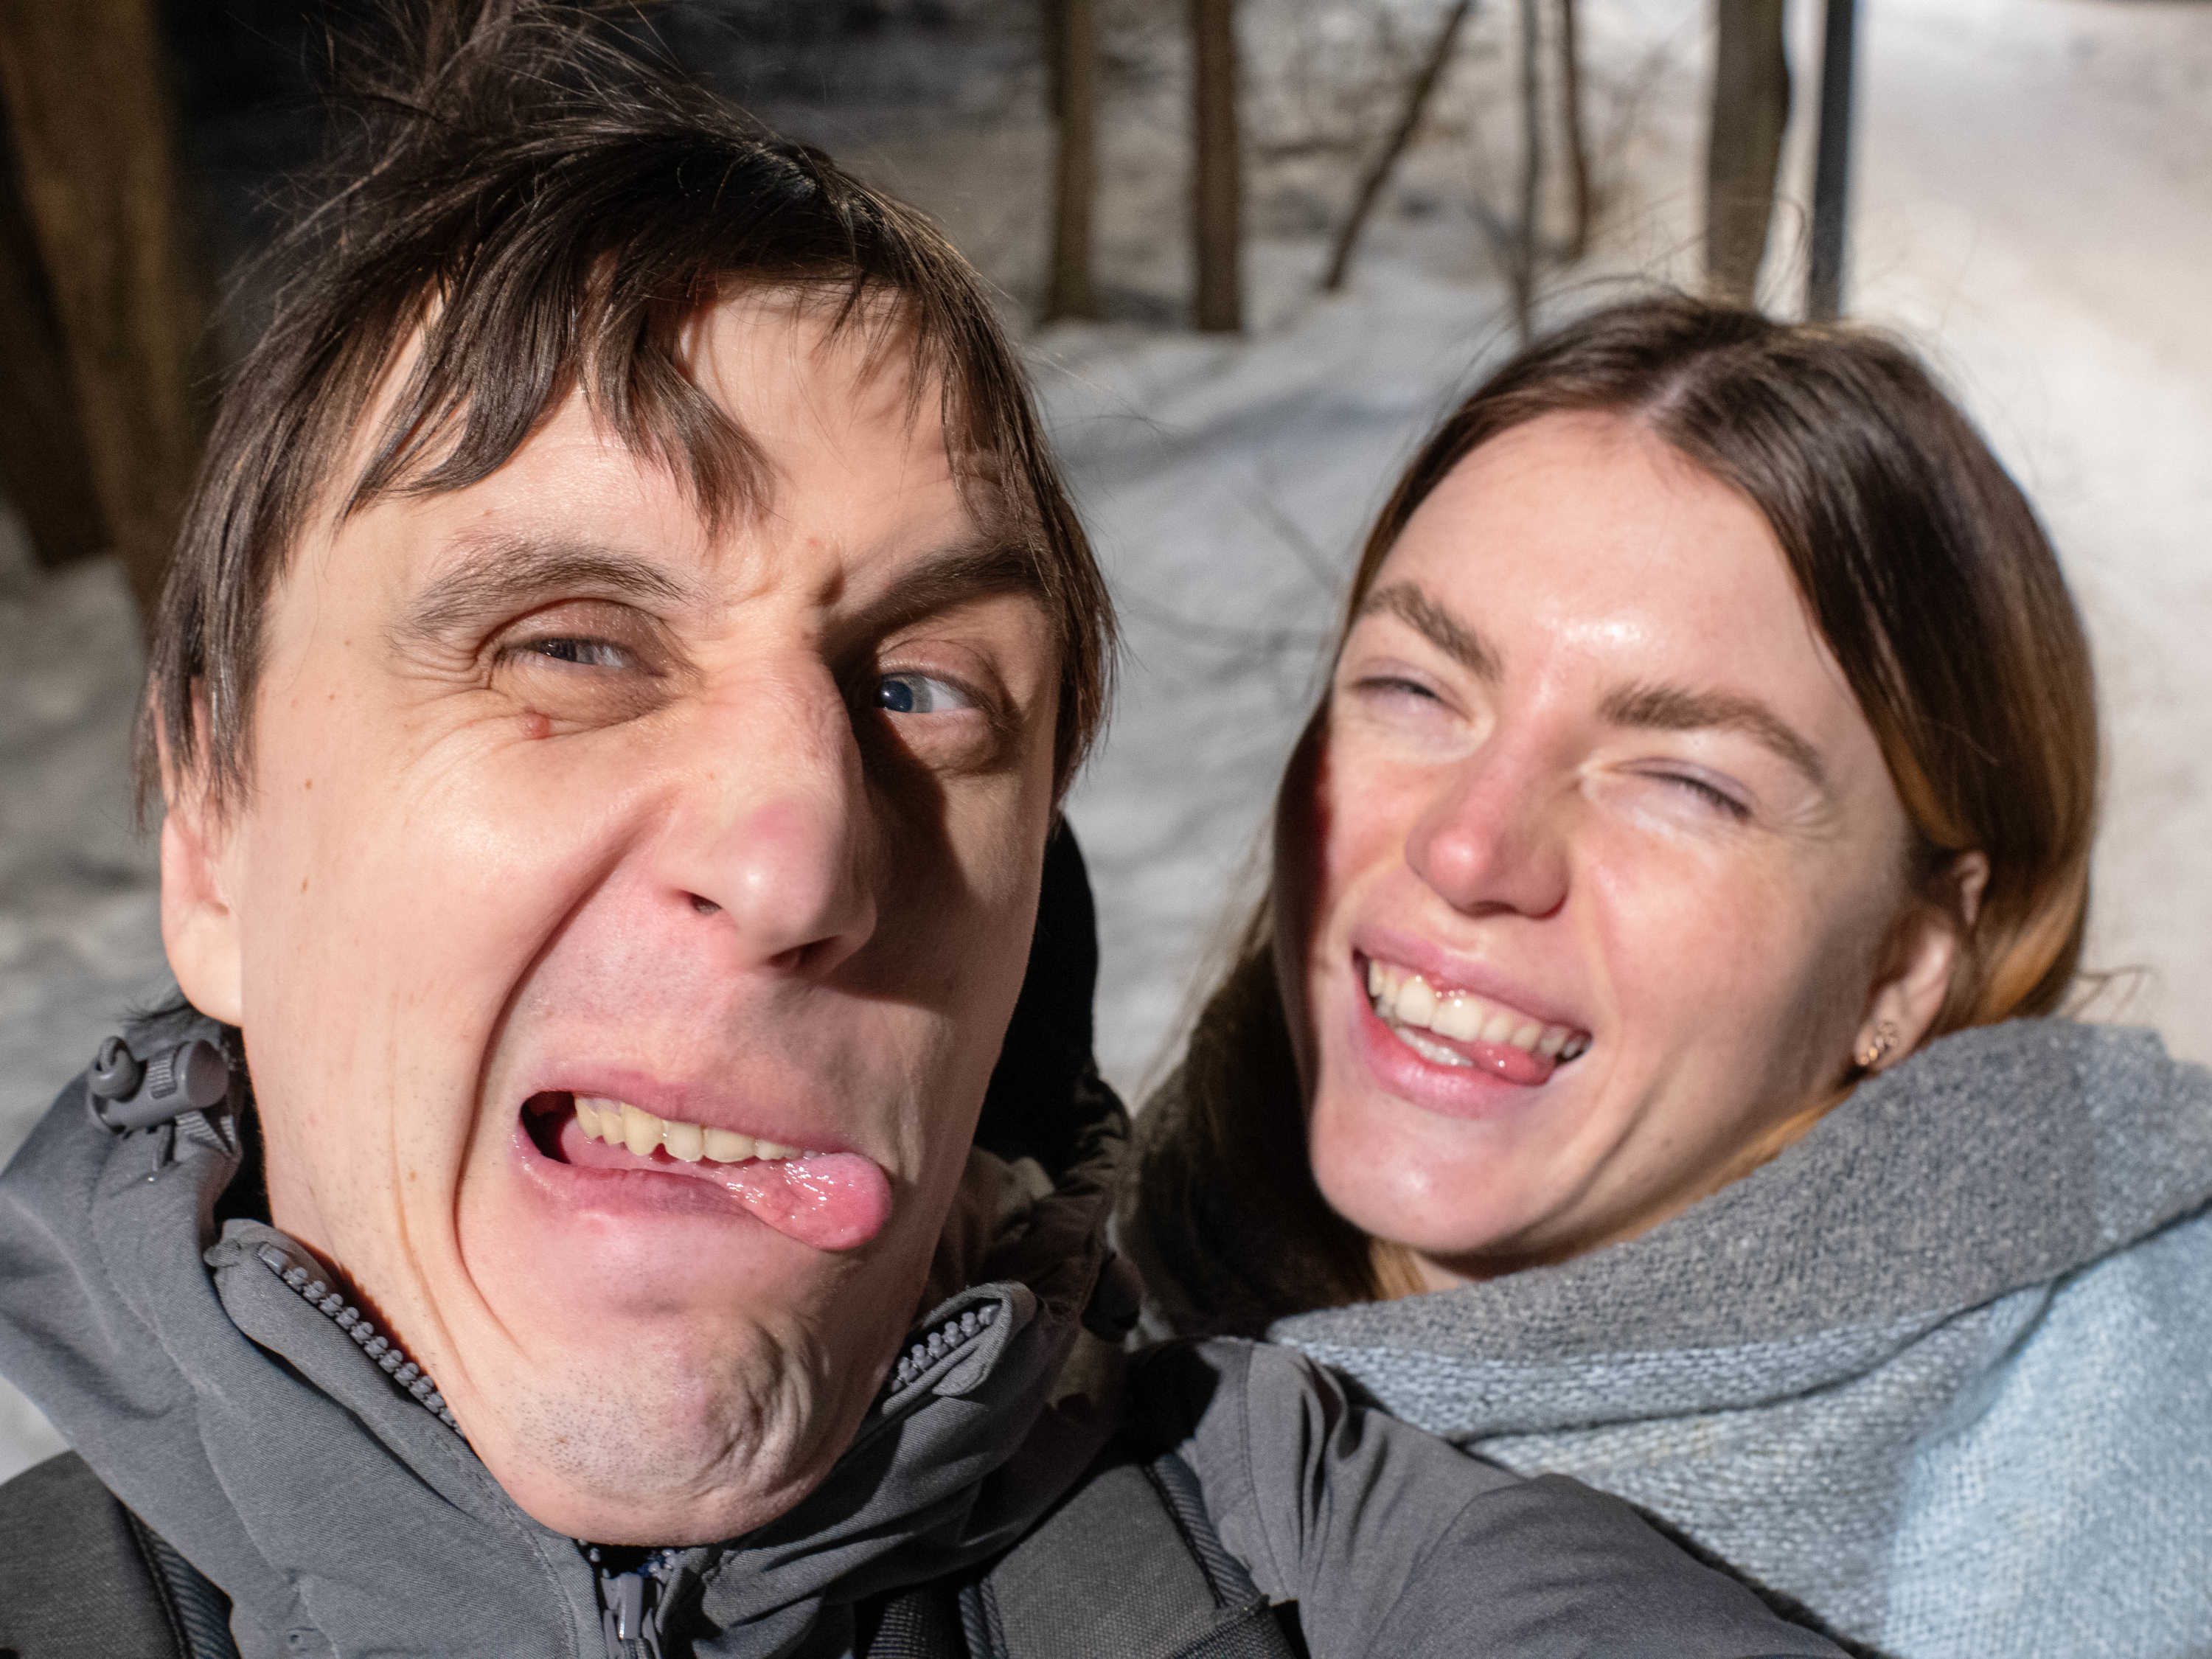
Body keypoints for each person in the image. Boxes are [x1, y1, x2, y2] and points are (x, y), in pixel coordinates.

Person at [0, 10, 1850, 1659]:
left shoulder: (1312, 1554)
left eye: (921, 691)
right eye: (572, 647)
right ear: (210, 838)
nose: (802, 859)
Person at [1121, 295, 2212, 1656]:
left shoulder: (2147, 1474)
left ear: (1906, 961)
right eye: (1415, 689)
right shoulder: (1065, 1327)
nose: (1469, 847)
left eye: (1687, 782)